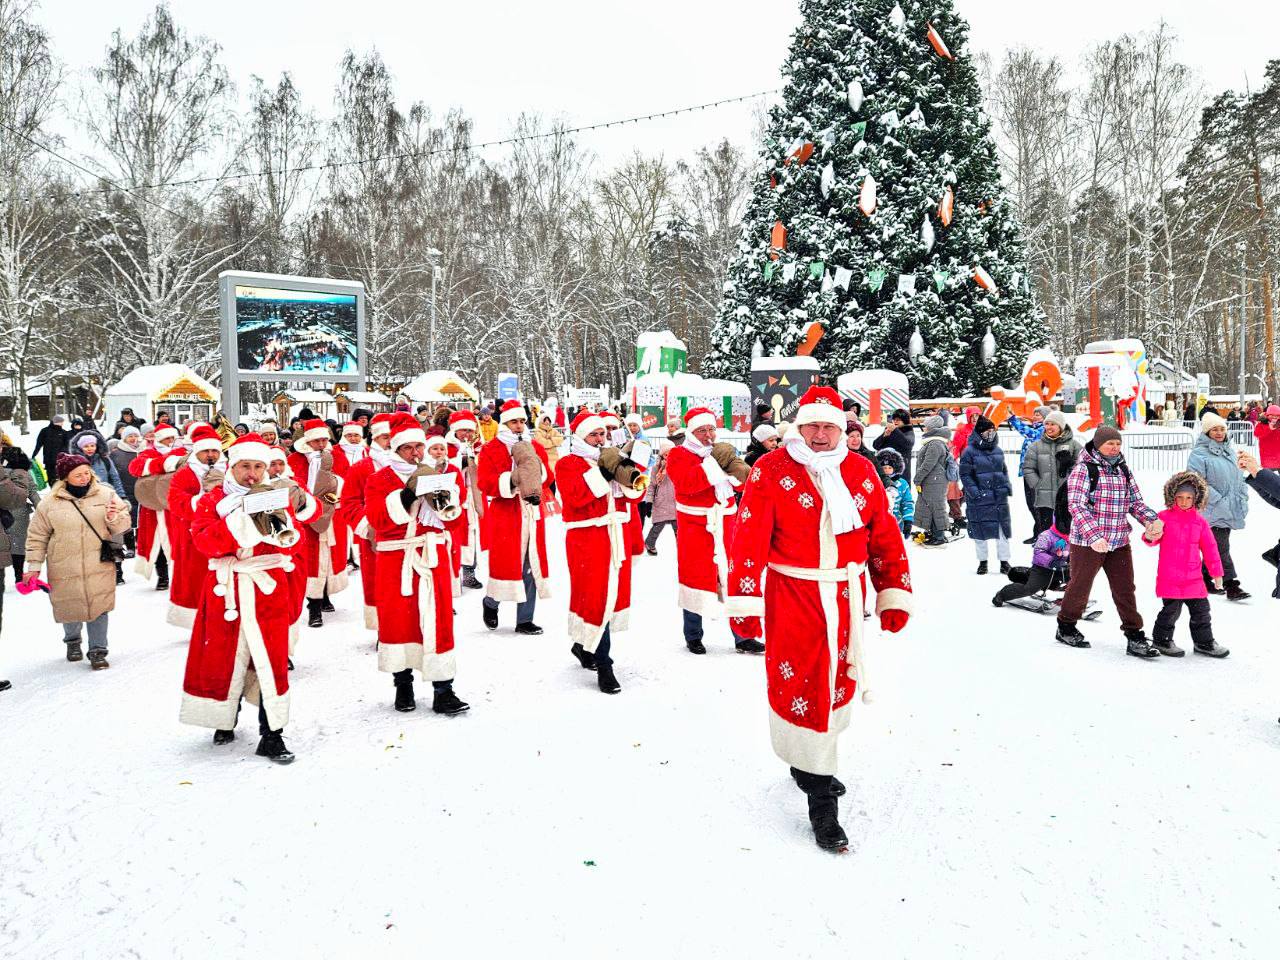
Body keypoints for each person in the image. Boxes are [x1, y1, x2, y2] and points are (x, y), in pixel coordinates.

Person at [727, 385, 912, 851]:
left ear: (843, 429)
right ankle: (820, 797)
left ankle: (812, 763)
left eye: (830, 426)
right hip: (794, 594)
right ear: (798, 426)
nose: (822, 434)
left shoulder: (861, 471)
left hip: (847, 595)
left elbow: (883, 534)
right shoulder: (771, 470)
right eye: (812, 425)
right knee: (806, 682)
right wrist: (745, 606)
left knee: (836, 683)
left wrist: (893, 592)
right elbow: (746, 539)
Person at [179, 433, 312, 762]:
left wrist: (274, 522)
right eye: (244, 467)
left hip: (267, 587)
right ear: (231, 467)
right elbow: (205, 542)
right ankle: (223, 717)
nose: (251, 473)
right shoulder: (212, 501)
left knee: (271, 658)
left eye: (257, 466)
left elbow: (293, 542)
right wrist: (244, 519)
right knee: (222, 656)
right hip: (227, 590)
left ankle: (272, 733)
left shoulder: (276, 497)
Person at [364, 413, 469, 716]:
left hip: (431, 554)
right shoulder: (378, 480)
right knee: (399, 620)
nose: (416, 453)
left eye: (418, 447)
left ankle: (443, 689)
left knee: (439, 622)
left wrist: (444, 499)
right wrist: (407, 494)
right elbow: (379, 520)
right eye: (408, 448)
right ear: (394, 449)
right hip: (396, 557)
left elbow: (455, 520)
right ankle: (403, 683)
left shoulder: (437, 476)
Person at [1057, 425, 1164, 656]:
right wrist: (1094, 535)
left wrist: (1150, 520)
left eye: (1117, 444)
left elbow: (1134, 502)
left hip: (1118, 539)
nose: (1115, 448)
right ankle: (1066, 625)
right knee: (1080, 585)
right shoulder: (1084, 469)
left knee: (1125, 588)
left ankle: (1134, 635)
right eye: (1110, 444)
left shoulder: (1123, 470)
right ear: (1098, 445)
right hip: (1088, 541)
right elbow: (1076, 504)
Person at [558, 410, 645, 694]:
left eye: (602, 434)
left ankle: (583, 645)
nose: (599, 439)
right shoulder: (568, 464)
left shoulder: (612, 458)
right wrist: (602, 473)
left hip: (614, 536)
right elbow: (575, 497)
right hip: (587, 539)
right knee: (597, 597)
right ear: (581, 436)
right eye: (593, 434)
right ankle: (604, 664)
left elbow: (636, 495)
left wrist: (628, 469)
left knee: (609, 597)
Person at [665, 407, 762, 655]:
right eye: (702, 430)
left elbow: (740, 486)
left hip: (727, 523)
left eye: (711, 429)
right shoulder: (679, 454)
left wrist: (735, 472)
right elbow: (686, 484)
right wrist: (714, 466)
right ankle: (693, 634)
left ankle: (743, 635)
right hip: (696, 526)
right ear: (691, 432)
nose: (708, 434)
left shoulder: (721, 452)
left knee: (734, 577)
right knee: (695, 578)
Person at [23, 453, 132, 670]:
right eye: (77, 475)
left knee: (99, 607)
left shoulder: (106, 494)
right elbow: (37, 536)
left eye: (86, 473)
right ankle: (73, 641)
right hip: (64, 564)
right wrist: (33, 567)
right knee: (69, 606)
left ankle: (98, 650)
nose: (84, 478)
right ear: (65, 478)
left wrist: (114, 518)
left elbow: (123, 526)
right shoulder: (49, 504)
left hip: (98, 562)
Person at [477, 400, 551, 634]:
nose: (518, 427)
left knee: (531, 563)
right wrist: (512, 479)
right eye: (513, 422)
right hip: (506, 511)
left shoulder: (536, 447)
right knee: (506, 563)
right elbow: (484, 482)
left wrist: (537, 476)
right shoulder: (491, 449)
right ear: (504, 423)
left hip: (531, 508)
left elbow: (548, 477)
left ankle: (525, 619)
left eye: (521, 421)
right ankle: (491, 602)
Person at [1141, 471, 1229, 658]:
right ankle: (1161, 640)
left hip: (1193, 577)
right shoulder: (1163, 517)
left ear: (1196, 498)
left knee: (1202, 611)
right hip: (1170, 576)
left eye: (1189, 497)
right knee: (1171, 611)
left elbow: (1211, 549)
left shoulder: (1200, 522)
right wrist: (1150, 535)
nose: (1183, 501)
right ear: (1172, 497)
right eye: (1180, 497)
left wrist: (1217, 573)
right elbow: (1152, 539)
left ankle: (1204, 642)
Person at [287, 419, 350, 627]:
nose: (321, 444)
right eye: (317, 441)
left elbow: (346, 480)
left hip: (332, 514)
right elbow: (292, 484)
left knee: (329, 556)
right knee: (312, 558)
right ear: (308, 441)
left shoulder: (336, 456)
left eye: (324, 439)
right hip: (306, 515)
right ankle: (313, 605)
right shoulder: (296, 459)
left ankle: (324, 594)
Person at [337, 412, 394, 630]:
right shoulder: (362, 467)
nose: (389, 442)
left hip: (407, 536)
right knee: (379, 582)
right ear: (375, 438)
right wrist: (367, 527)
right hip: (375, 534)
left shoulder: (412, 465)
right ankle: (384, 629)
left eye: (393, 436)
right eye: (385, 437)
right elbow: (350, 503)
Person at [165, 425, 225, 627]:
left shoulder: (230, 470)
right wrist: (205, 499)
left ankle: (222, 614)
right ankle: (198, 617)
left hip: (222, 534)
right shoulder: (184, 474)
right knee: (195, 578)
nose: (211, 455)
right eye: (206, 451)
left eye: (214, 451)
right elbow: (175, 503)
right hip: (191, 536)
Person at [1187, 411, 1250, 601]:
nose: (1219, 432)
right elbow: (1196, 481)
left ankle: (1206, 578)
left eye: (1222, 428)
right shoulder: (1199, 454)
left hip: (1230, 507)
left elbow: (1238, 478)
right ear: (1207, 432)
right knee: (1220, 547)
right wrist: (1217, 500)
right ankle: (1231, 584)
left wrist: (1242, 496)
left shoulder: (1229, 451)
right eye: (1214, 429)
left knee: (1215, 546)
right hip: (1211, 508)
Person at [992, 478, 1073, 609]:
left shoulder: (1072, 538)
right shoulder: (1047, 536)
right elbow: (1038, 553)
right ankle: (1002, 594)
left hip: (1061, 569)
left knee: (1077, 578)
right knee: (1030, 588)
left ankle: (1072, 601)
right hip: (1042, 569)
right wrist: (1052, 561)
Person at [128, 423, 186, 590]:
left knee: (178, 542)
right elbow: (136, 468)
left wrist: (160, 465)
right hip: (152, 506)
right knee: (157, 543)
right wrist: (167, 462)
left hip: (174, 506)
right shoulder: (147, 453)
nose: (171, 441)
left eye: (173, 438)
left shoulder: (182, 453)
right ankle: (163, 577)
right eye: (167, 438)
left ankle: (178, 576)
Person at [960, 416, 1012, 575]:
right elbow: (965, 475)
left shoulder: (998, 450)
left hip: (998, 497)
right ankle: (983, 561)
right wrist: (975, 493)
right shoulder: (969, 452)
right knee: (980, 531)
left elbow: (1003, 470)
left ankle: (1004, 561)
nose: (990, 433)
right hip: (979, 498)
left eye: (992, 430)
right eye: (987, 430)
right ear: (979, 432)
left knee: (1002, 531)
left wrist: (1006, 486)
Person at [1021, 411, 1081, 538]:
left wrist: (1069, 465)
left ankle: (1068, 556)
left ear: (1061, 426)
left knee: (1067, 531)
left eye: (1052, 424)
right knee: (1046, 532)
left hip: (1067, 498)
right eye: (1046, 424)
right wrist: (1038, 484)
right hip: (1044, 499)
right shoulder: (1036, 446)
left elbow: (1084, 467)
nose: (1048, 427)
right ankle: (1047, 557)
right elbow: (1028, 468)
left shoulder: (1074, 445)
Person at [446, 410, 485, 590]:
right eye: (463, 431)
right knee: (453, 535)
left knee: (471, 533)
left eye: (470, 431)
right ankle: (450, 574)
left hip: (471, 495)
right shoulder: (445, 446)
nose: (467, 435)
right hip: (452, 497)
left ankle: (469, 571)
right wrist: (460, 462)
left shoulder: (477, 446)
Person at [1007, 406, 1048, 540]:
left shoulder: (1044, 430)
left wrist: (1014, 420)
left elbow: (1029, 433)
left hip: (1037, 472)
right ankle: (1038, 532)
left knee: (1037, 504)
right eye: (1034, 414)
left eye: (1039, 415)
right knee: (1031, 504)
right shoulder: (1035, 428)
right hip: (1028, 471)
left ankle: (1042, 534)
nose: (1035, 416)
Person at [913, 415, 953, 546]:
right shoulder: (935, 442)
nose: (923, 428)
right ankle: (934, 532)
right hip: (932, 480)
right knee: (930, 507)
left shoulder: (935, 443)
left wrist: (917, 478)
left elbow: (927, 464)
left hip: (934, 480)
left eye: (925, 426)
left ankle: (939, 536)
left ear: (931, 428)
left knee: (936, 507)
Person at [109, 427, 143, 557]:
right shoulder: (117, 453)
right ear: (124, 438)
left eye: (135, 436)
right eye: (130, 436)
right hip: (125, 490)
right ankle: (130, 547)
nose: (133, 439)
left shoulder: (143, 451)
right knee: (127, 519)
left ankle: (140, 544)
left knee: (141, 519)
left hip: (141, 490)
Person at [643, 439, 677, 555]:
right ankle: (649, 543)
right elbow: (652, 486)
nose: (668, 456)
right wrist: (649, 502)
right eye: (666, 454)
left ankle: (683, 547)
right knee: (657, 526)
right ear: (662, 455)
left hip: (675, 501)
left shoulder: (678, 466)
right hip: (661, 501)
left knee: (679, 529)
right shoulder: (656, 469)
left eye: (671, 453)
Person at [948, 406, 980, 527]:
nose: (975, 419)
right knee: (958, 487)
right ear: (968, 416)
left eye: (977, 416)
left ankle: (955, 509)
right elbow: (956, 446)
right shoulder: (963, 430)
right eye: (973, 416)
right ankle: (956, 511)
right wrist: (953, 460)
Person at [875, 449, 914, 537]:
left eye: (890, 467)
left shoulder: (902, 484)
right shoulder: (875, 481)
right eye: (884, 468)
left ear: (896, 468)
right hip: (878, 525)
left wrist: (908, 521)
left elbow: (907, 503)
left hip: (896, 524)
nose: (887, 470)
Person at [872, 408, 915, 487]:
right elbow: (875, 445)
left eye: (898, 420)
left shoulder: (908, 431)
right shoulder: (889, 430)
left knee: (902, 494)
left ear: (904, 421)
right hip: (886, 470)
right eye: (894, 419)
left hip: (901, 471)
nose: (895, 422)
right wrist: (884, 436)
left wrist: (895, 430)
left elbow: (908, 444)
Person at [31, 414, 70, 482]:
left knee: (59, 476)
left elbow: (67, 446)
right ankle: (53, 489)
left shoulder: (64, 432)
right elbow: (39, 444)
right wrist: (34, 455)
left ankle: (57, 489)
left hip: (60, 459)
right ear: (56, 422)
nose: (62, 423)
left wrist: (65, 455)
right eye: (61, 422)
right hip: (49, 459)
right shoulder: (45, 431)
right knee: (50, 476)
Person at [1253, 404, 1280, 469]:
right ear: (1267, 415)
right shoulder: (1262, 423)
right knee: (1268, 476)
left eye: (1277, 415)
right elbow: (1256, 434)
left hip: (1278, 454)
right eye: (1272, 415)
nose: (1275, 417)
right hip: (1267, 454)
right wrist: (1269, 429)